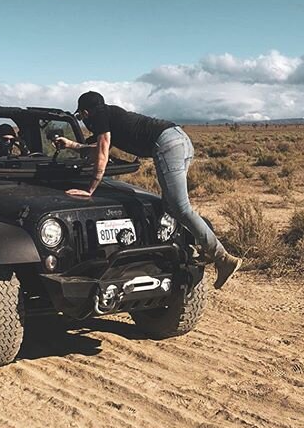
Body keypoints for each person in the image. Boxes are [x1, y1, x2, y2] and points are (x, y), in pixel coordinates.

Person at [54, 91, 242, 289]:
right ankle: (193, 250)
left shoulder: (99, 116)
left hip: (166, 144)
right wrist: (70, 145)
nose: (83, 120)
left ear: (86, 112)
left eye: (81, 116)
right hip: (180, 139)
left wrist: (91, 189)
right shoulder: (110, 116)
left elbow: (102, 152)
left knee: (181, 207)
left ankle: (223, 259)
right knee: (169, 207)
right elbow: (98, 147)